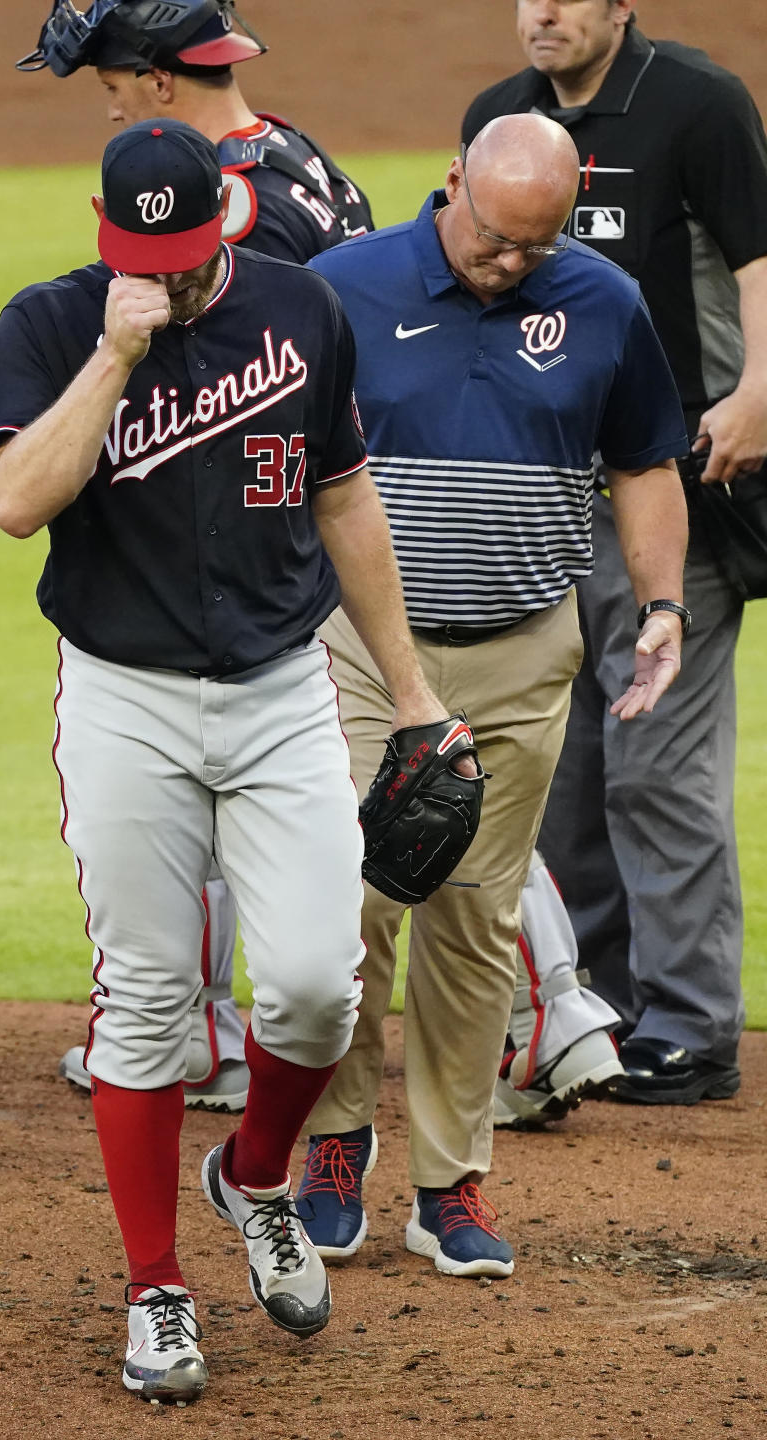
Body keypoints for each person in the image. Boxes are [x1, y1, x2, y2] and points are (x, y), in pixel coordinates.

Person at [0, 117, 453, 1405]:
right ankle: (156, 1290)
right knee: (145, 1005)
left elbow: (345, 493)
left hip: (282, 688)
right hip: (123, 697)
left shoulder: (301, 310)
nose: (172, 279)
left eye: (186, 257)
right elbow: (17, 501)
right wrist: (119, 353)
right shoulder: (53, 322)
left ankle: (254, 1175)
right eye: (147, 257)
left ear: (228, 216)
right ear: (103, 225)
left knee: (313, 986)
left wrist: (411, 696)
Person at [295, 113, 690, 1276]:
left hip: (523, 654)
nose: (509, 263)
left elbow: (644, 464)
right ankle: (332, 1142)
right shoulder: (342, 286)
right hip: (365, 648)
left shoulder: (605, 299)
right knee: (349, 909)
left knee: (475, 918)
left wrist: (662, 605)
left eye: (535, 246)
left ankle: (450, 1179)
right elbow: (284, 459)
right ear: (452, 181)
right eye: (493, 237)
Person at [20, 0, 374, 1112]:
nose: (111, 104)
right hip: (343, 481)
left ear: (159, 78)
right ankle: (544, 1002)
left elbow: (236, 412)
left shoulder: (241, 218)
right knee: (415, 764)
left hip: (298, 505)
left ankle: (206, 1028)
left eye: (112, 83)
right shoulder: (299, 155)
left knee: (282, 790)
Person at [463, 0, 767, 1104]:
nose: (540, 11)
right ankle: (581, 1008)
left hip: (679, 487)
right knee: (567, 771)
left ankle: (687, 1022)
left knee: (657, 765)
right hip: (546, 496)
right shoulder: (499, 121)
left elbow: (759, 262)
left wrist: (759, 393)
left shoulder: (697, 104)